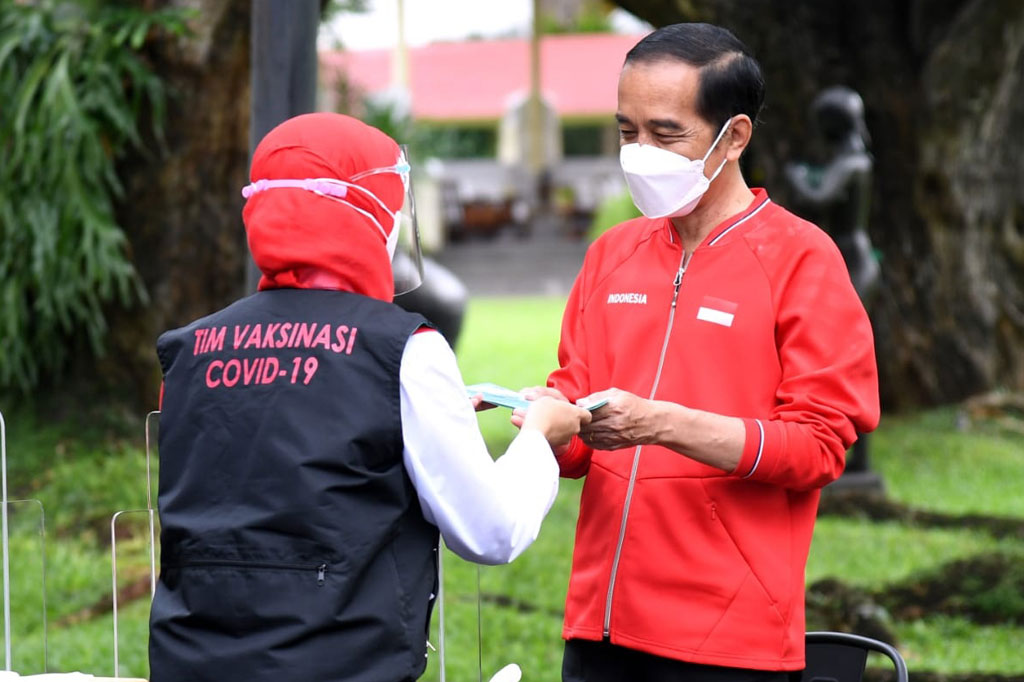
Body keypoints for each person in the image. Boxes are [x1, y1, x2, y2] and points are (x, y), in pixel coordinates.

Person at [148, 112, 592, 682]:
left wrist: (415, 407)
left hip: (191, 663)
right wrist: (538, 438)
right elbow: (490, 531)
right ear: (368, 215)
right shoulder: (404, 349)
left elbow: (270, 448)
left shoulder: (188, 348)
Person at [519, 23, 880, 681]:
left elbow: (821, 447)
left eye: (665, 133)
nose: (639, 152)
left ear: (734, 136)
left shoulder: (803, 258)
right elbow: (577, 429)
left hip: (729, 641)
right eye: (627, 132)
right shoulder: (611, 254)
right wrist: (552, 422)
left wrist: (661, 423)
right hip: (598, 627)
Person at [785, 86, 881, 475]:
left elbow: (817, 196)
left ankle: (858, 455)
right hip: (844, 257)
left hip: (854, 259)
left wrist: (795, 175)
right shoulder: (847, 159)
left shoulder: (853, 162)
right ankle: (843, 447)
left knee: (849, 356)